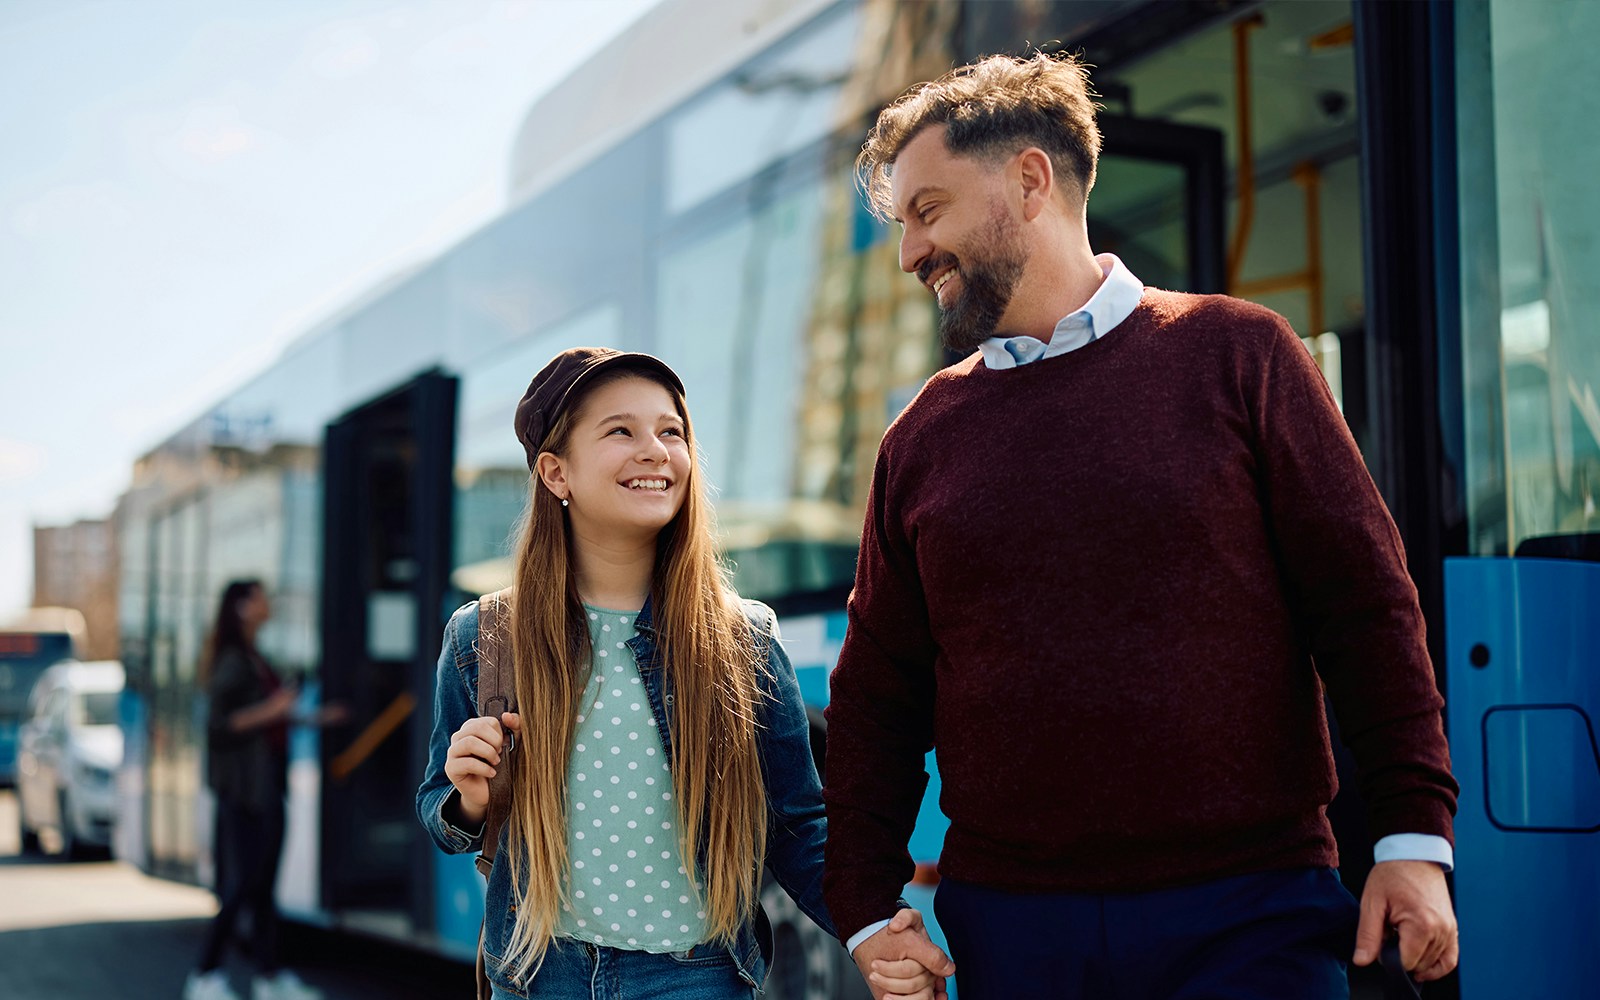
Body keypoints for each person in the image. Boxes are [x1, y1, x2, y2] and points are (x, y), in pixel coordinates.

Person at [822, 53, 1460, 1000]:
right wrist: (868, 908)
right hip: (1015, 930)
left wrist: (1413, 841)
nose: (911, 252)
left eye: (928, 210)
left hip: (1253, 916)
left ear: (1030, 181)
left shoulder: (1240, 355)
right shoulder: (919, 439)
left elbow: (1365, 604)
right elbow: (877, 694)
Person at [415, 348, 951, 999]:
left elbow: (797, 825)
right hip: (538, 977)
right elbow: (440, 814)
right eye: (621, 430)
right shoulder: (483, 637)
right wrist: (473, 795)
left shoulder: (743, 640)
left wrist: (871, 931)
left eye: (671, 431)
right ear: (556, 472)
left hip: (699, 979)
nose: (655, 449)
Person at [185, 580, 340, 1000]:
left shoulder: (254, 656)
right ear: (240, 607)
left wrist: (310, 719)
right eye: (259, 597)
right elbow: (219, 726)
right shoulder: (233, 660)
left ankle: (269, 980)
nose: (267, 604)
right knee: (240, 884)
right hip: (245, 791)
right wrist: (274, 709)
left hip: (266, 784)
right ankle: (204, 977)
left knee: (264, 886)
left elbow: (268, 719)